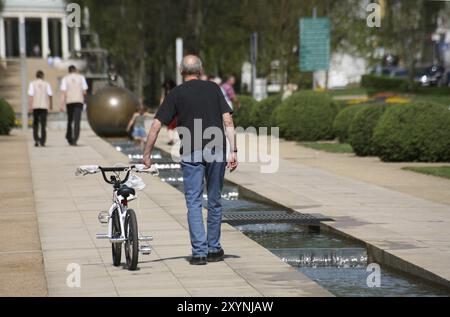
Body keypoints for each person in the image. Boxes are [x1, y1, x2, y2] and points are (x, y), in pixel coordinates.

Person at [143, 55, 238, 266]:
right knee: (214, 200)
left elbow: (156, 125)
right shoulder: (213, 88)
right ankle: (214, 249)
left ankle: (199, 253)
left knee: (194, 202)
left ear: (180, 70)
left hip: (191, 152)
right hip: (217, 150)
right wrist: (234, 150)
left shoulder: (176, 93)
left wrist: (147, 154)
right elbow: (228, 119)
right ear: (200, 69)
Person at [60, 65, 88, 146]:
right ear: (75, 70)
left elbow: (63, 93)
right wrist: (85, 101)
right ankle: (75, 139)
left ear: (69, 71)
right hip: (79, 101)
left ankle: (69, 136)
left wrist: (61, 105)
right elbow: (85, 92)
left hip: (69, 101)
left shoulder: (65, 79)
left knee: (70, 120)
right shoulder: (81, 78)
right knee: (77, 121)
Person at [28, 70, 53, 147]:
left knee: (35, 124)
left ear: (36, 76)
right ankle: (42, 141)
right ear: (42, 76)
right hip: (43, 106)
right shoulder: (46, 84)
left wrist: (30, 106)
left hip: (35, 106)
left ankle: (36, 139)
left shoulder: (32, 84)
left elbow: (30, 96)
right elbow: (50, 95)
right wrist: (51, 105)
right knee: (43, 124)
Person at [160, 79, 177, 145]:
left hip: (172, 111)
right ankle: (171, 139)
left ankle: (171, 139)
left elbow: (162, 102)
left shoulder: (169, 92)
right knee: (171, 126)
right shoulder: (176, 91)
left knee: (171, 126)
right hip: (173, 111)